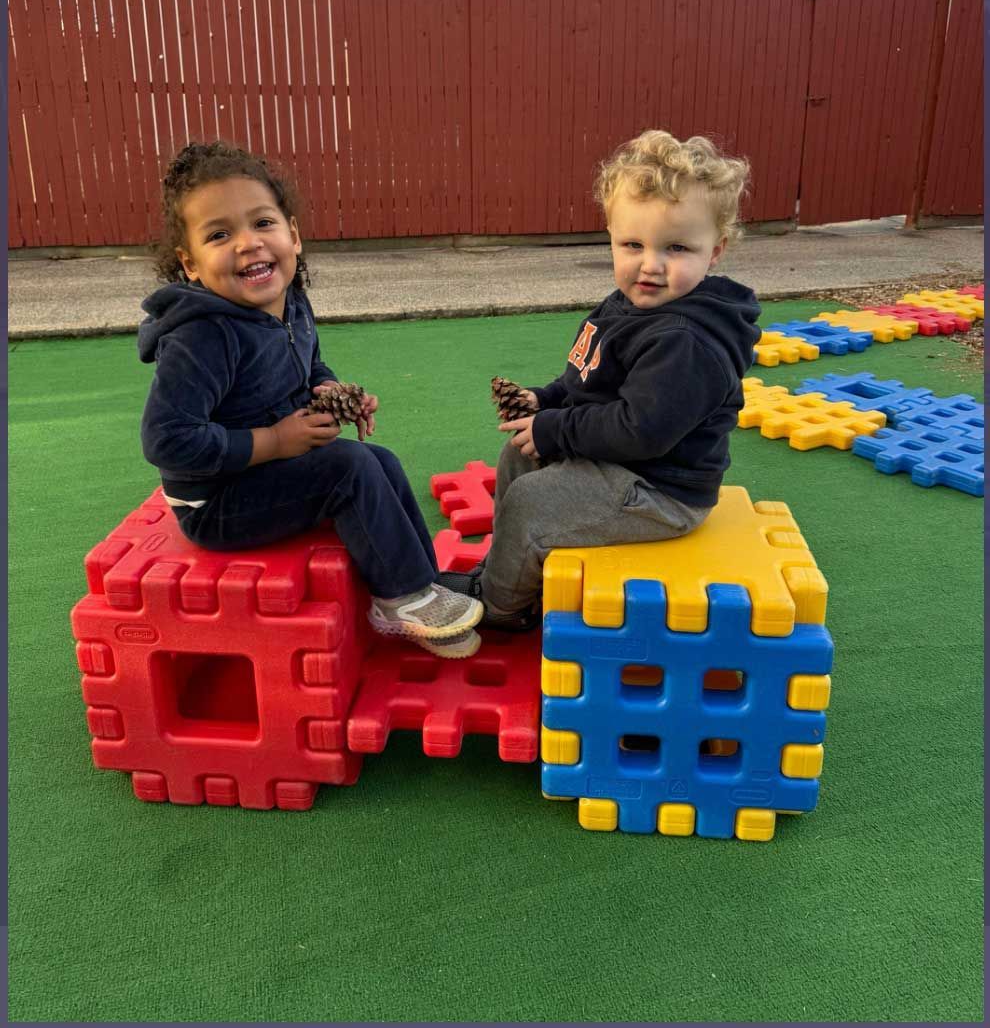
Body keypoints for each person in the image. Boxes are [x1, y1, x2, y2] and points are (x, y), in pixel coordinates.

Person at [138, 141, 482, 658]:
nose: (248, 243)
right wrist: (275, 441)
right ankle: (400, 599)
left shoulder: (291, 303)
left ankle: (422, 580)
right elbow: (168, 440)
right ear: (190, 263)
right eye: (219, 234)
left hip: (267, 473)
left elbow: (307, 366)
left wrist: (330, 391)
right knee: (347, 468)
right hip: (216, 503)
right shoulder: (203, 337)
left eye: (262, 223)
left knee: (377, 461)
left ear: (292, 235)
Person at [439, 129, 762, 629]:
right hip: (622, 464)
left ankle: (498, 608)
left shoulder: (686, 340)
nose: (650, 265)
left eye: (677, 248)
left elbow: (641, 431)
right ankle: (511, 575)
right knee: (517, 457)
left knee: (532, 500)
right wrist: (543, 399)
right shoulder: (626, 304)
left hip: (660, 491)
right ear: (611, 236)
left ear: (714, 252)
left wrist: (554, 428)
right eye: (632, 244)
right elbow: (587, 379)